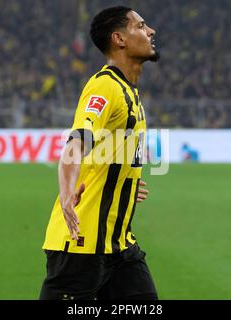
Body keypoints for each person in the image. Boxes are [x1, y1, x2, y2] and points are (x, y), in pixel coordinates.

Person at [40, 6, 160, 300]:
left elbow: (107, 153)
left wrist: (124, 183)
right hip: (82, 245)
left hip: (119, 247)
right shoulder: (105, 86)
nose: (150, 31)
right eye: (141, 25)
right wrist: (67, 194)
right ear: (119, 38)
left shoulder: (130, 92)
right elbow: (76, 143)